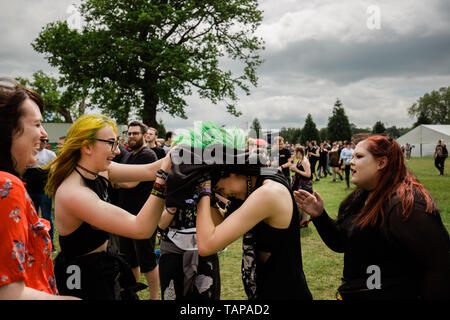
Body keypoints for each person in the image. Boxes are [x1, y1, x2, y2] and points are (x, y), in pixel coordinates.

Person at [165, 122, 312, 300]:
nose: (221, 194)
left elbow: (206, 245)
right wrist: (208, 196)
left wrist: (203, 187)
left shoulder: (269, 193)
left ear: (232, 171)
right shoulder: (253, 185)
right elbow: (219, 228)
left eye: (218, 189)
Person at [294, 135, 450, 300]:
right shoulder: (365, 194)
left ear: (381, 163)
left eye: (359, 157)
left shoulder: (404, 204)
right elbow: (342, 242)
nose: (351, 162)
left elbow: (439, 267)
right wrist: (319, 216)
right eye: (352, 156)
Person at [45, 114, 172, 300]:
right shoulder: (74, 193)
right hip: (83, 277)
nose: (118, 151)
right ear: (87, 146)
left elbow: (149, 170)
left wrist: (178, 155)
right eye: (111, 143)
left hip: (104, 263)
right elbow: (140, 228)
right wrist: (163, 182)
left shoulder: (100, 170)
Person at [0, 80, 77, 299]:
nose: (44, 134)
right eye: (36, 124)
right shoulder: (7, 186)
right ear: (8, 129)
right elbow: (8, 293)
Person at [116, 121, 160, 300]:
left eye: (135, 133)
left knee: (147, 260)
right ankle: (132, 293)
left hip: (144, 215)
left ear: (144, 135)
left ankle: (154, 297)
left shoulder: (147, 155)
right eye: (130, 133)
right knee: (129, 258)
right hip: (126, 215)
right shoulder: (128, 155)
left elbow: (130, 182)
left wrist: (113, 180)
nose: (131, 136)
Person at [157, 194, 221, 300]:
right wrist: (174, 200)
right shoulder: (169, 181)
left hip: (205, 250)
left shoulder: (207, 185)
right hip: (172, 250)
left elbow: (219, 223)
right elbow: (160, 225)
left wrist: (208, 197)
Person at [23, 137, 57, 250]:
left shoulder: (50, 154)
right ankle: (33, 244)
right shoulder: (28, 153)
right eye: (42, 140)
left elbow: (54, 173)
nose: (45, 142)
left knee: (47, 218)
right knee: (32, 219)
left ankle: (50, 244)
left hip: (45, 192)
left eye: (46, 140)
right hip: (30, 192)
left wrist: (53, 187)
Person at [290, 146, 312, 228]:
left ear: (299, 152)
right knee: (299, 202)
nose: (294, 153)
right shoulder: (299, 160)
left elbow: (308, 174)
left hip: (305, 184)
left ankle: (303, 221)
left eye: (295, 152)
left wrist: (297, 170)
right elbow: (297, 169)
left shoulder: (305, 161)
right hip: (299, 183)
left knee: (302, 202)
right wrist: (294, 169)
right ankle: (302, 220)